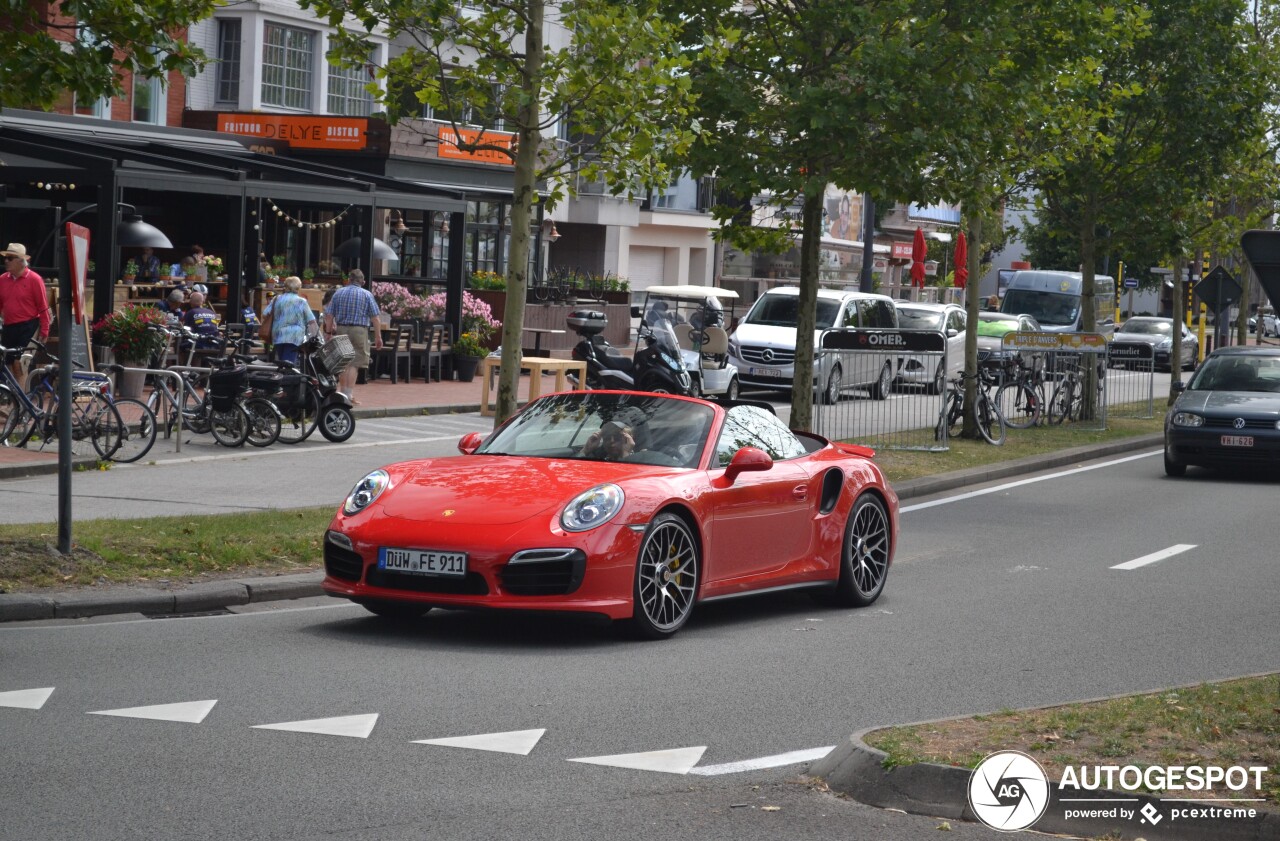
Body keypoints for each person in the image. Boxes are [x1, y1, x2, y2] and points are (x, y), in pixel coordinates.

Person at [323, 268, 382, 401]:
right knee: (354, 363)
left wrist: (328, 332)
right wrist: (378, 336)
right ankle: (348, 394)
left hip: (342, 329)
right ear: (363, 282)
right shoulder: (367, 295)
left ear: (349, 280)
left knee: (343, 361)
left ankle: (342, 394)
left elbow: (329, 314)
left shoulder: (338, 293)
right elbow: (375, 318)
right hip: (359, 331)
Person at [0, 243, 51, 382]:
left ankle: (22, 401)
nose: (6, 261)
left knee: (20, 364)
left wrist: (44, 331)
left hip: (28, 326)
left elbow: (43, 306)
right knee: (8, 364)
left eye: (10, 258)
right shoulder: (2, 279)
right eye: (5, 258)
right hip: (9, 326)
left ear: (21, 261)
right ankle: (14, 399)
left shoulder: (34, 279)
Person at [266, 276, 316, 366]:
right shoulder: (301, 301)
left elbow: (265, 313)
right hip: (294, 336)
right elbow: (311, 320)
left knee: (282, 360)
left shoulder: (277, 299)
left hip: (278, 335)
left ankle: (282, 377)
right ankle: (286, 378)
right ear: (298, 287)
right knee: (288, 364)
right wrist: (314, 336)